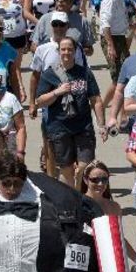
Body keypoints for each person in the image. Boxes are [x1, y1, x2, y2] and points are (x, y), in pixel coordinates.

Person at [35, 35, 107, 185]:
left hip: (83, 127)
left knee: (85, 167)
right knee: (66, 170)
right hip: (60, 128)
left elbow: (96, 100)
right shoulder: (49, 74)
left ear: (75, 51)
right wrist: (57, 92)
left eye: (70, 49)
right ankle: (70, 202)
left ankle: (79, 197)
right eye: (63, 49)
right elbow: (40, 101)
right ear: (58, 51)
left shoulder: (85, 73)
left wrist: (102, 125)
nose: (66, 52)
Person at [99, 0, 135, 104]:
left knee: (126, 73)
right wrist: (110, 45)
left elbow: (117, 20)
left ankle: (111, 103)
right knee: (118, 78)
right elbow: (105, 22)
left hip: (119, 37)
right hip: (112, 38)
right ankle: (102, 104)